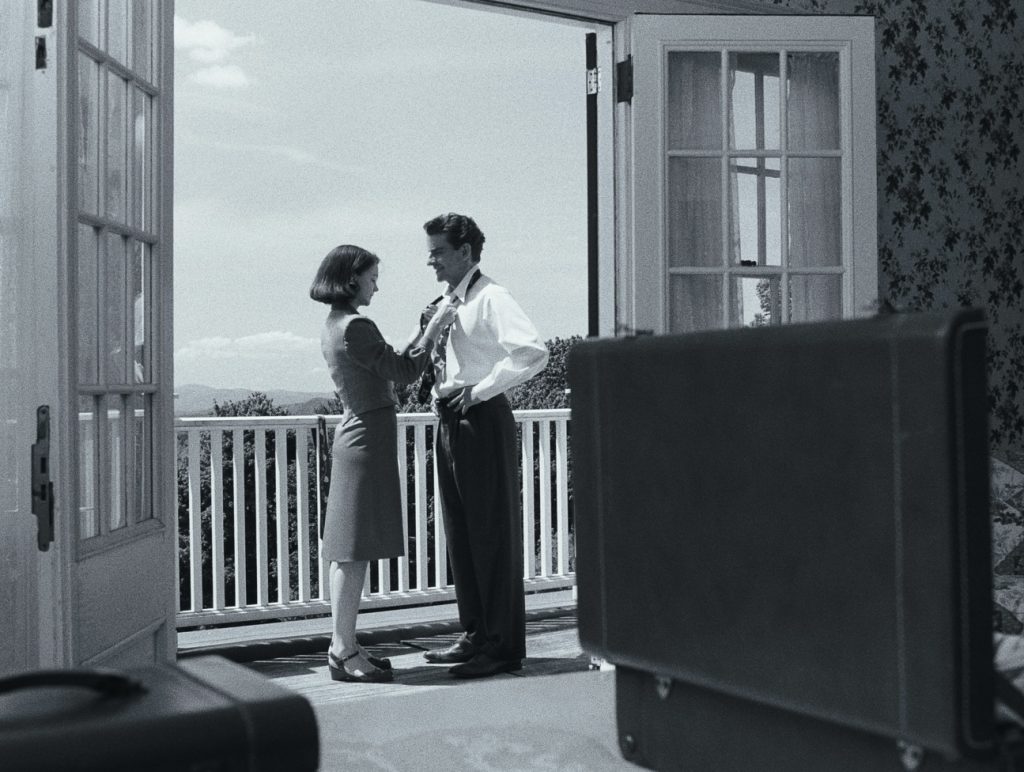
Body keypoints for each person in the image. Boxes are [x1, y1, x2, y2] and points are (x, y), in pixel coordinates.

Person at [310, 244, 455, 683]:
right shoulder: (356, 326)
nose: (376, 286)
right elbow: (405, 372)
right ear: (351, 279)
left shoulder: (338, 324)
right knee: (352, 553)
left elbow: (390, 361)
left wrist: (421, 329)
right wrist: (436, 328)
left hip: (360, 438)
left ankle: (345, 645)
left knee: (349, 552)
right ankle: (342, 650)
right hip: (365, 441)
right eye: (372, 278)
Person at [418, 213, 549, 678]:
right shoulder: (447, 303)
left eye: (438, 252)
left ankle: (502, 645)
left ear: (465, 252)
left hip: (480, 418)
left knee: (491, 533)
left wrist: (480, 391)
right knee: (461, 534)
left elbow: (533, 352)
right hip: (449, 421)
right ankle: (476, 633)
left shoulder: (492, 297)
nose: (431, 261)